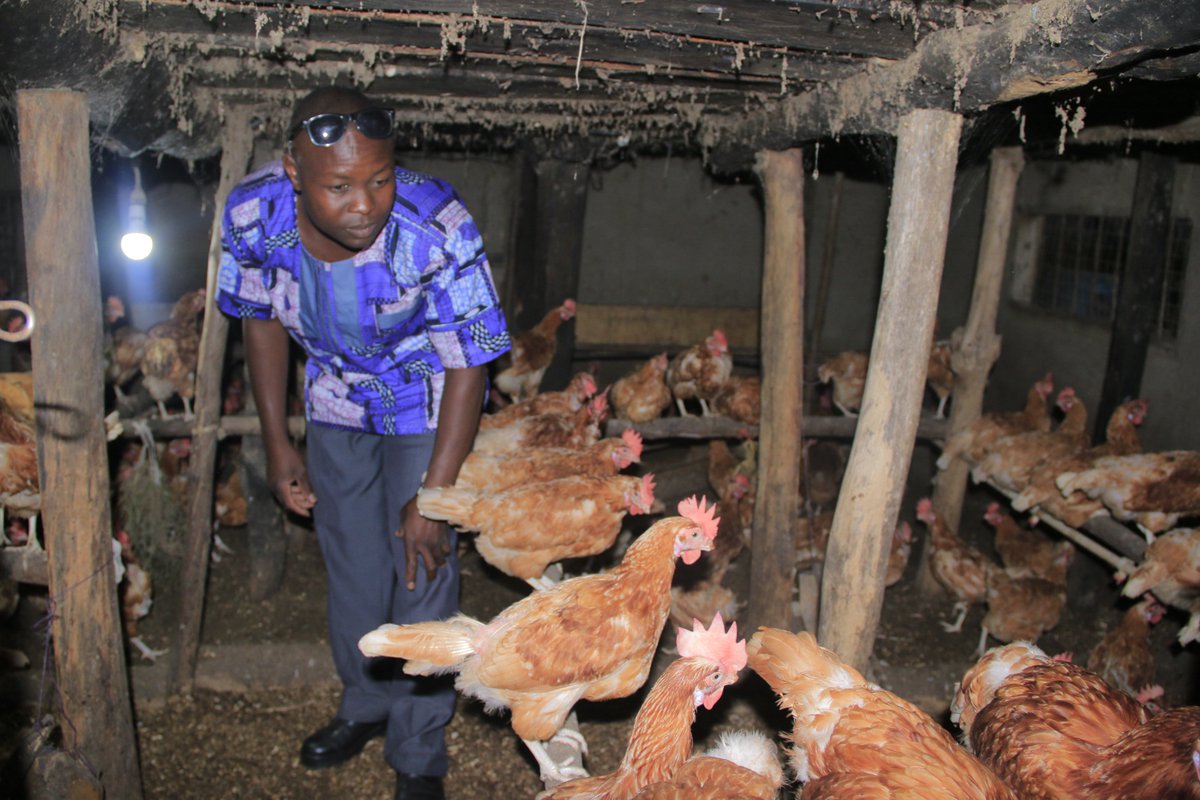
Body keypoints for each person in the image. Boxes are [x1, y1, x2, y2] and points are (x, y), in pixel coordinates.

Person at [216, 87, 510, 800]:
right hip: (332, 398)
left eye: (379, 179)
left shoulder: (436, 226)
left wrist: (434, 497)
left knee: (420, 568)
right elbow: (257, 320)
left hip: (426, 401)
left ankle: (417, 754)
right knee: (351, 566)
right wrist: (279, 439)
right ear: (293, 172)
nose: (365, 203)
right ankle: (365, 704)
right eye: (339, 185)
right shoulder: (253, 214)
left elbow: (470, 361)